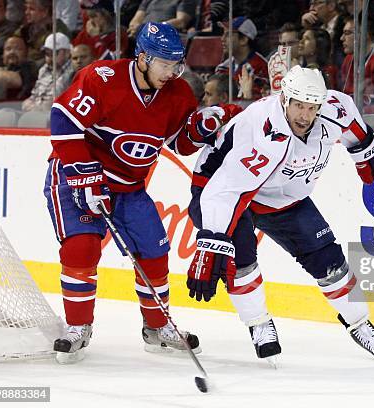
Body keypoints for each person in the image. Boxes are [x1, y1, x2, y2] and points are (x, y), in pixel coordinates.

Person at [43, 22, 229, 362]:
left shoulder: (179, 93)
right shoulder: (102, 78)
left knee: (154, 252)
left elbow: (180, 144)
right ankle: (78, 327)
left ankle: (157, 329)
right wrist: (85, 177)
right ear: (142, 58)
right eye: (164, 64)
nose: (171, 72)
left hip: (129, 188)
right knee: (82, 247)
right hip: (74, 176)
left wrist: (201, 127)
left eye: (176, 65)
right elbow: (63, 121)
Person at [185, 65, 374, 362]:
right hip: (218, 187)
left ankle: (360, 323)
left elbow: (355, 129)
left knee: (328, 259)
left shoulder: (335, 108)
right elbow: (228, 191)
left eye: (312, 107)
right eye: (298, 105)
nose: (304, 115)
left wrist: (366, 153)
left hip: (282, 194)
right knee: (239, 256)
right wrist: (212, 243)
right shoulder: (263, 132)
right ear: (284, 99)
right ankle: (258, 324)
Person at [22, 32, 75, 112]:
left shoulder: (73, 72)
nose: (50, 56)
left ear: (67, 53)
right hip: (35, 112)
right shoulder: (43, 69)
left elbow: (57, 101)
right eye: (47, 53)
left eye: (54, 52)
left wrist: (37, 108)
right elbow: (33, 96)